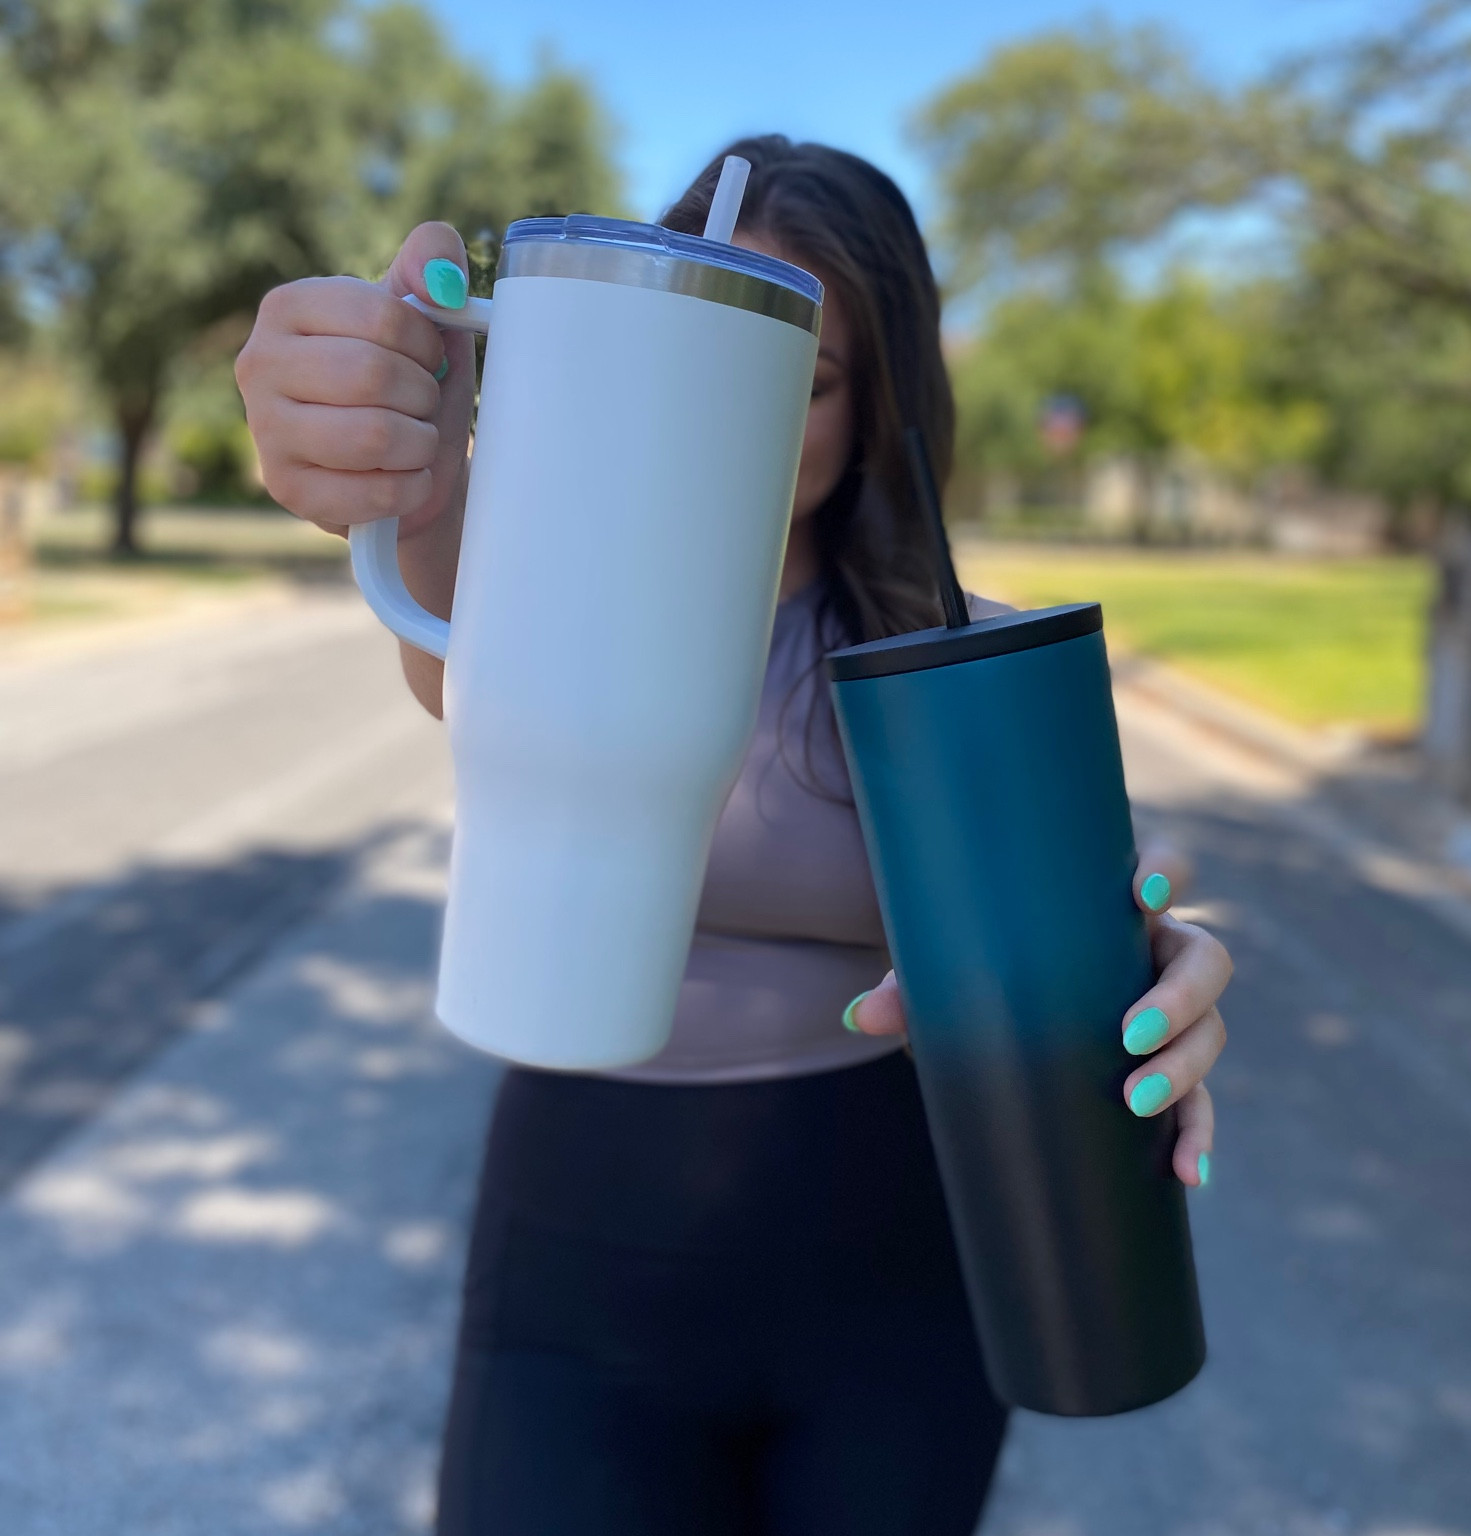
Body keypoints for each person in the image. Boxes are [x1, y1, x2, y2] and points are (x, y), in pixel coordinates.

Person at [235, 136, 1232, 1536]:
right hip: (574, 1268)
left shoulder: (967, 666)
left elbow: (1107, 924)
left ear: (881, 400)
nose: (746, 416)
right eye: (710, 353)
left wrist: (1156, 974)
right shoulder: (540, 612)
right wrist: (364, 402)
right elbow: (416, 534)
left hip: (904, 1290)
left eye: (804, 378)